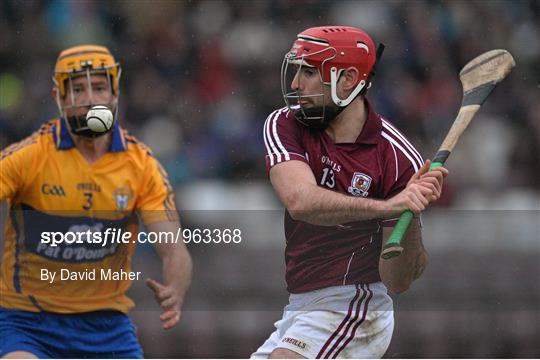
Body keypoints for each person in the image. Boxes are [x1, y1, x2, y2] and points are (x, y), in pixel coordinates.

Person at [254, 26, 448, 359]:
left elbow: (397, 281)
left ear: (347, 80)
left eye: (310, 72)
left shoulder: (398, 157)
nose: (295, 84)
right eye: (297, 70)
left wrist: (410, 211)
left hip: (357, 305)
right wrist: (387, 206)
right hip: (300, 306)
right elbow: (300, 201)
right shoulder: (285, 124)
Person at [0, 45, 192, 358]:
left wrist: (176, 288)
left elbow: (174, 248)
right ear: (59, 98)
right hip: (27, 324)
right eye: (77, 89)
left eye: (99, 87)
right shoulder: (29, 157)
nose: (90, 98)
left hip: (106, 328)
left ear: (114, 95)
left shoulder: (141, 165)